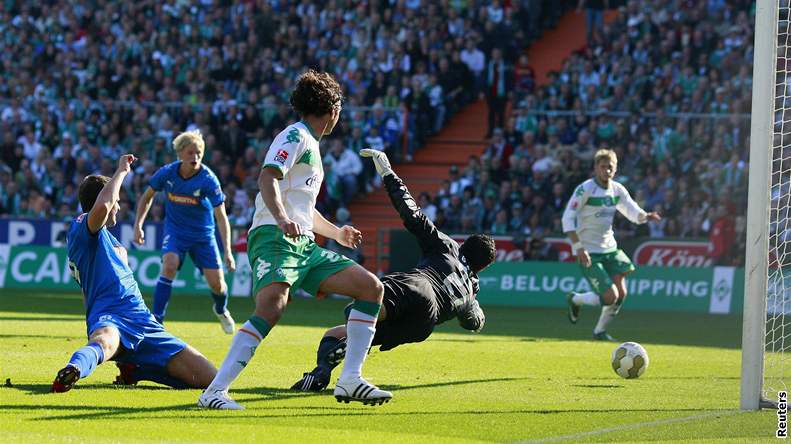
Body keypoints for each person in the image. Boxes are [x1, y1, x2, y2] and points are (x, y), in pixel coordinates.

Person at [198, 70, 389, 410]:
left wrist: (336, 233)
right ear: (332, 108)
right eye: (340, 107)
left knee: (370, 288)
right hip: (274, 235)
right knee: (272, 306)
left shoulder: (311, 145)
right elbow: (267, 178)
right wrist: (283, 219)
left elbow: (303, 208)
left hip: (302, 243)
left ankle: (350, 379)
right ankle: (214, 392)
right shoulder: (295, 136)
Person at [291, 149, 496, 392]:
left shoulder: (448, 247)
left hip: (418, 288)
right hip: (422, 326)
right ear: (481, 267)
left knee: (356, 314)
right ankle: (320, 374)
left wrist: (389, 174)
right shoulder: (471, 288)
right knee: (345, 334)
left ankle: (337, 375)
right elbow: (473, 323)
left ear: (464, 245)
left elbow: (413, 215)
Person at [52, 154, 217, 393]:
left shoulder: (111, 243)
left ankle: (137, 370)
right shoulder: (81, 226)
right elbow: (103, 206)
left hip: (143, 320)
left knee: (209, 378)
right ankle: (73, 369)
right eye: (117, 199)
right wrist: (121, 171)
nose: (118, 206)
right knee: (104, 341)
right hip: (110, 316)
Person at [133, 130, 236, 333]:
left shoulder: (208, 179)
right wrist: (138, 225)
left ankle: (221, 309)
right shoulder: (167, 173)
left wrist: (228, 251)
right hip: (176, 231)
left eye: (198, 153)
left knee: (217, 285)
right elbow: (147, 197)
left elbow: (222, 216)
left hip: (203, 236)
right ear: (180, 153)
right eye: (190, 153)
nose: (195, 157)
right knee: (169, 265)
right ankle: (157, 322)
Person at [562, 149, 661, 341]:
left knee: (621, 293)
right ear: (595, 168)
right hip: (589, 251)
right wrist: (578, 248)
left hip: (610, 248)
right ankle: (575, 299)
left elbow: (631, 210)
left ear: (615, 169)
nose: (607, 171)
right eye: (603, 167)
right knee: (610, 296)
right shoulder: (585, 189)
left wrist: (645, 216)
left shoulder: (617, 190)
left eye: (611, 167)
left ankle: (599, 332)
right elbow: (568, 218)